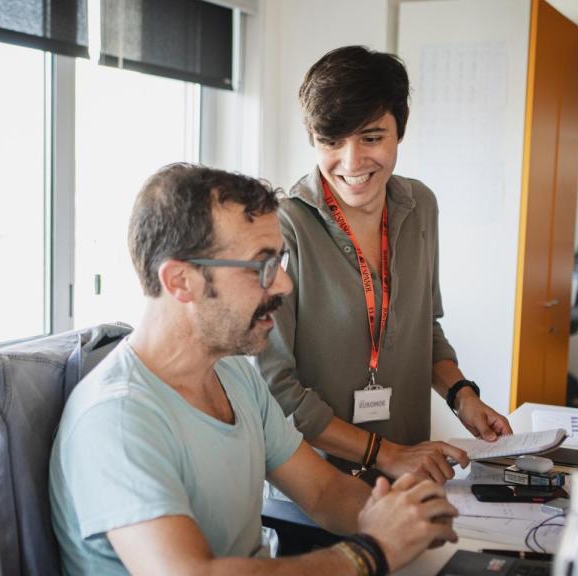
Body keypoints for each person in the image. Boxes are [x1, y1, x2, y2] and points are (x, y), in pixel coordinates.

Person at [49, 164, 459, 576]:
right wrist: (370, 551)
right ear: (180, 281)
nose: (283, 285)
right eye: (262, 267)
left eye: (279, 262)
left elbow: (323, 491)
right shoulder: (117, 419)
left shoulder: (235, 376)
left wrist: (401, 517)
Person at [257, 46, 513, 484]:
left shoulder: (420, 206)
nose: (352, 163)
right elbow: (274, 388)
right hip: (316, 489)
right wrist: (385, 454)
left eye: (372, 138)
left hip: (412, 472)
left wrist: (462, 396)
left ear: (400, 128)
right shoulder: (283, 227)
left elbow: (422, 329)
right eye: (331, 142)